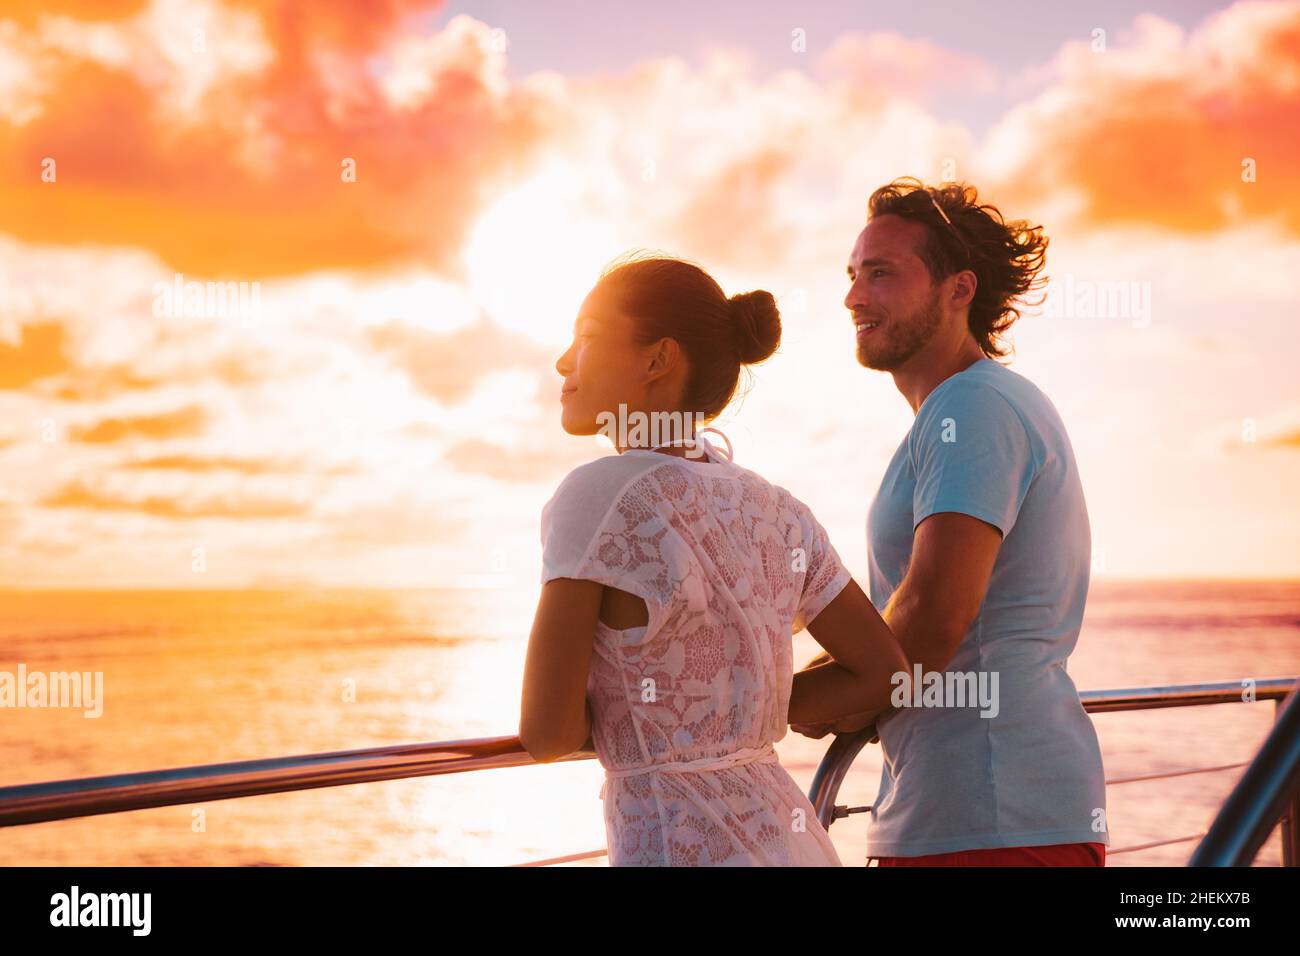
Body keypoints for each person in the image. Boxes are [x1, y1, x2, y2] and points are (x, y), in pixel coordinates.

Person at [519, 252, 909, 866]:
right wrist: (741, 714)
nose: (564, 361)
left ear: (658, 359)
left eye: (588, 337)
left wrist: (666, 723)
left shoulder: (595, 496)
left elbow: (548, 732)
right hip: (794, 841)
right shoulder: (776, 509)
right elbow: (885, 671)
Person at [793, 177, 1108, 867]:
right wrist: (834, 686)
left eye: (881, 274)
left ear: (958, 290)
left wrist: (779, 699)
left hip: (993, 818)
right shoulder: (968, 409)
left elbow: (931, 621)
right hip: (970, 814)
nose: (853, 296)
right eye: (852, 275)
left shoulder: (975, 408)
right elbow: (907, 627)